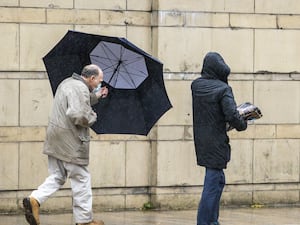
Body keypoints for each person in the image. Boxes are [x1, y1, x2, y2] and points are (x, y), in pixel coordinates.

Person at [23, 64, 109, 225]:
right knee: (81, 179)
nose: (99, 83)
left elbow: (80, 100)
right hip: (71, 142)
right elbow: (77, 113)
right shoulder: (80, 88)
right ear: (91, 78)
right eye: (99, 80)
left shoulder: (68, 83)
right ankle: (84, 221)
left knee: (57, 176)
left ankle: (34, 199)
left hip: (56, 139)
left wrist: (97, 96)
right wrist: (93, 117)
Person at [191, 52, 248, 225]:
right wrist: (243, 122)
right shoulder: (223, 89)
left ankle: (212, 221)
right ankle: (204, 222)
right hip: (216, 141)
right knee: (212, 183)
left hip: (201, 140)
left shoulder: (196, 86)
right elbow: (231, 115)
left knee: (217, 180)